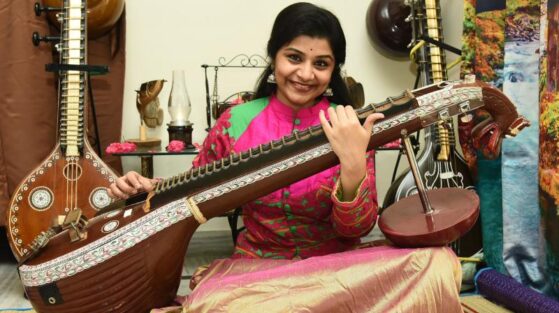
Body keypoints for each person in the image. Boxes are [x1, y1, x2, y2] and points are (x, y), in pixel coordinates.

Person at [109, 3, 463, 312]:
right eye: (294, 57)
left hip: (336, 270)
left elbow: (356, 229)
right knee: (211, 305)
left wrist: (353, 162)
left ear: (333, 70)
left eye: (321, 63)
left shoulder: (347, 122)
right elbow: (194, 191)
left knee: (436, 263)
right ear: (274, 56)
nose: (306, 74)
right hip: (261, 272)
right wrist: (145, 187)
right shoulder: (237, 121)